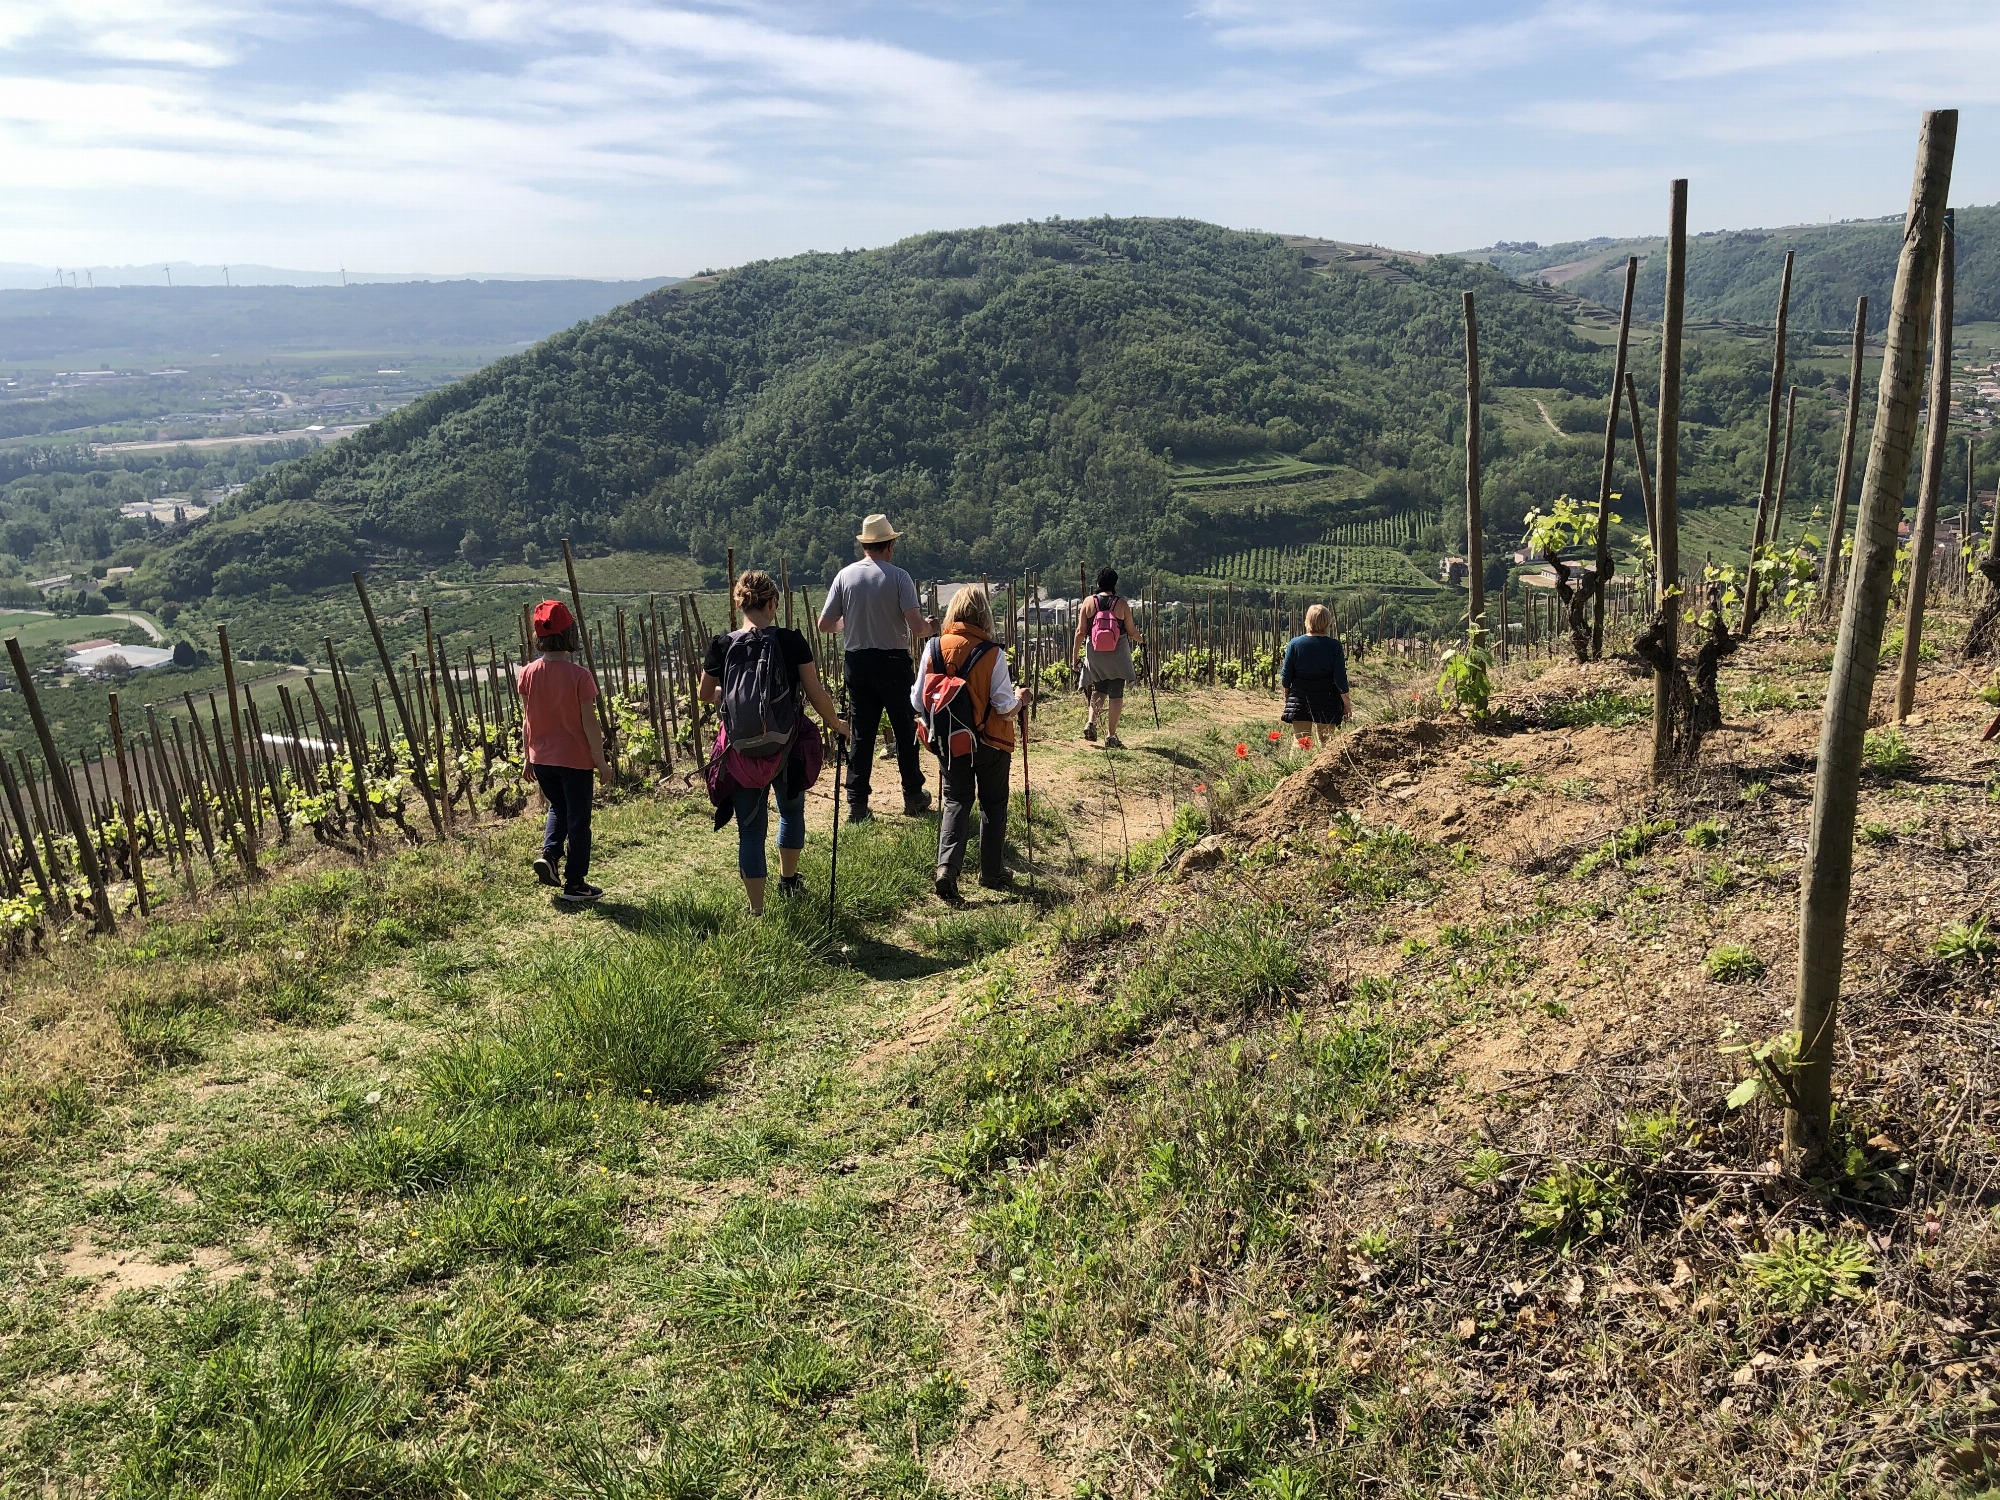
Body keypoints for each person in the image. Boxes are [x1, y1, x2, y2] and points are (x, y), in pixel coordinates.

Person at [702, 570, 851, 916]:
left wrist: (733, 696)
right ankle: (788, 880)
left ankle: (756, 911)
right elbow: (815, 693)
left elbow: (705, 693)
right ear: (772, 604)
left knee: (751, 832)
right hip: (788, 746)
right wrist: (837, 724)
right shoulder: (791, 641)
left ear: (739, 604)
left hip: (739, 752)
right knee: (791, 812)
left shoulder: (722, 645)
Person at [914, 586, 1029, 901]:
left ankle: (947, 870)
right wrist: (1021, 699)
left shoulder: (933, 648)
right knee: (993, 803)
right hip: (991, 742)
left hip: (951, 743)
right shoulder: (991, 653)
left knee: (956, 800)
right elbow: (1003, 706)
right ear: (984, 615)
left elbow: (917, 700)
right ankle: (991, 872)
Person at [817, 514, 933, 821]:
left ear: (865, 545)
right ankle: (912, 795)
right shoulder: (899, 577)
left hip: (857, 662)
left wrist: (848, 623)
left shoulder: (845, 576)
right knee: (905, 729)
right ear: (890, 545)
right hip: (893, 662)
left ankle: (857, 803)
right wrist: (931, 627)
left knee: (861, 733)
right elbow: (916, 627)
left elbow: (824, 624)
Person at [519, 599, 612, 905]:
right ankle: (575, 884)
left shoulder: (527, 673)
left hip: (542, 759)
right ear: (570, 634)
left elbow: (527, 720)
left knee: (558, 807)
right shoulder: (579, 676)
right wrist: (601, 762)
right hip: (575, 760)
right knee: (579, 821)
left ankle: (549, 855)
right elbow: (590, 724)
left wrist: (527, 757)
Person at [1072, 567, 1142, 749]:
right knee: (1116, 693)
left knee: (1099, 688)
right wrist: (1142, 640)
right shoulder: (1121, 604)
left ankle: (1091, 722)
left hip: (1095, 652)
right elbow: (1131, 631)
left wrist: (1075, 656)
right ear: (1114, 584)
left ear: (1098, 582)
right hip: (1117, 652)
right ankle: (1111, 736)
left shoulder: (1088, 602)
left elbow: (1080, 632)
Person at [1281, 604, 1352, 749]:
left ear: (1307, 621)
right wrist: (1346, 702)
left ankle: (1299, 764)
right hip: (1327, 700)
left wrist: (1287, 695)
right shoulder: (1334, 646)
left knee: (1301, 743)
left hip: (1300, 699)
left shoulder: (1295, 644)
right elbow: (1339, 678)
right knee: (1328, 744)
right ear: (1327, 622)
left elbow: (1286, 675)